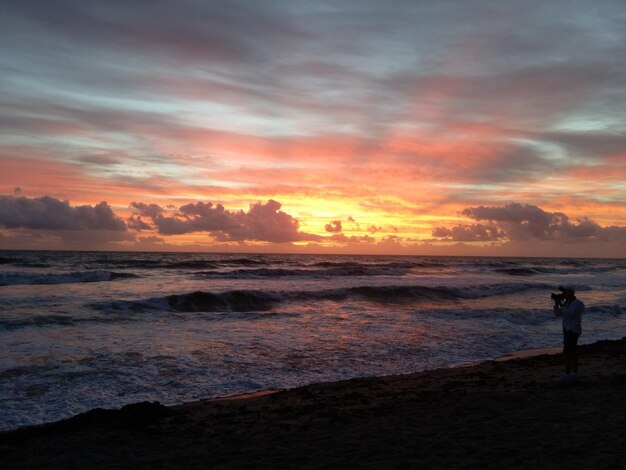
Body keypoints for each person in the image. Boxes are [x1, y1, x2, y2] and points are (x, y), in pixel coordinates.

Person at [553, 286, 585, 383]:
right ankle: (570, 374)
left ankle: (571, 374)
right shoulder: (567, 303)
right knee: (569, 352)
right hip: (567, 329)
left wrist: (561, 305)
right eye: (563, 292)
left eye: (565, 292)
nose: (563, 294)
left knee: (570, 353)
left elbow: (570, 313)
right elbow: (558, 314)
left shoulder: (578, 303)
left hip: (573, 330)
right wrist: (557, 303)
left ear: (571, 293)